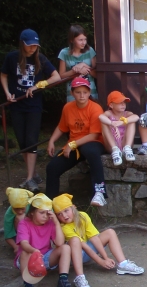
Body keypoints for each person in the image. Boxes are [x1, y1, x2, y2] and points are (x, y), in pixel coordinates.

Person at [1, 29, 61, 192]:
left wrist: (38, 86)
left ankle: (29, 179)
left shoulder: (40, 58)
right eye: (29, 45)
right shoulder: (12, 57)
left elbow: (56, 77)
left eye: (35, 46)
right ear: (22, 44)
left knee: (31, 140)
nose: (32, 48)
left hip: (34, 105)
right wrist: (7, 93)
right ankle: (32, 174)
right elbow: (4, 75)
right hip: (16, 104)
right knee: (22, 142)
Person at [52, 194, 144, 287]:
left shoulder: (83, 216)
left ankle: (123, 264)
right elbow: (85, 247)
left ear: (73, 207)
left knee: (110, 232)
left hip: (86, 251)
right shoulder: (63, 227)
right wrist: (100, 261)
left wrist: (105, 258)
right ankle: (80, 277)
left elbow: (94, 237)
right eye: (59, 214)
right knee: (75, 240)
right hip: (76, 256)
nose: (64, 216)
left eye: (66, 211)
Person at [46, 77, 107, 207]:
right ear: (72, 93)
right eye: (78, 92)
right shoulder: (68, 107)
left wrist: (72, 144)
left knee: (89, 150)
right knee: (52, 167)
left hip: (93, 142)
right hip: (74, 145)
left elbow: (94, 134)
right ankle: (50, 205)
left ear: (89, 93)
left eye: (85, 92)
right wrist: (51, 141)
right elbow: (61, 127)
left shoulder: (95, 108)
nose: (82, 95)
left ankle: (100, 192)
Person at [15, 193, 75, 287]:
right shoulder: (24, 223)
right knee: (25, 253)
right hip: (28, 260)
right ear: (32, 212)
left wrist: (56, 222)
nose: (45, 216)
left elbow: (59, 243)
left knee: (65, 248)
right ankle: (28, 286)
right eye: (41, 213)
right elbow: (24, 243)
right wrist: (34, 251)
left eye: (47, 213)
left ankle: (62, 281)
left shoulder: (50, 223)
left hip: (44, 257)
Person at [57, 24, 98, 102]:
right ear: (72, 40)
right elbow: (61, 76)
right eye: (80, 40)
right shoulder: (64, 53)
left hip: (90, 93)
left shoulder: (90, 51)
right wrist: (75, 71)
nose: (84, 42)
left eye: (85, 39)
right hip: (73, 95)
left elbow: (97, 75)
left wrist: (84, 65)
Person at [99, 91, 139, 165]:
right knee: (104, 122)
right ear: (111, 105)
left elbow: (136, 117)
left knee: (131, 121)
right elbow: (101, 117)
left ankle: (127, 148)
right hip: (111, 145)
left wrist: (121, 122)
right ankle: (115, 150)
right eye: (120, 102)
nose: (123, 104)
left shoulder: (127, 113)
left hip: (124, 143)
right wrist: (112, 123)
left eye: (124, 102)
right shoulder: (109, 113)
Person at [4, 187, 33, 253]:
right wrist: (15, 247)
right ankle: (21, 240)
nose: (20, 211)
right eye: (16, 209)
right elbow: (7, 236)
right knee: (20, 217)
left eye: (22, 209)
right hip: (19, 235)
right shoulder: (8, 214)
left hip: (34, 230)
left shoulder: (32, 203)